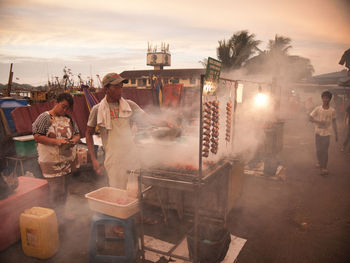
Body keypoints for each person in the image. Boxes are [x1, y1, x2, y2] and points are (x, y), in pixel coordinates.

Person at [85, 72, 170, 189]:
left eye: (121, 87)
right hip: (113, 160)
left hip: (131, 157)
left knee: (135, 191)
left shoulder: (129, 105)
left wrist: (166, 123)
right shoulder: (97, 110)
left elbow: (148, 119)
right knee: (118, 193)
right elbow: (88, 134)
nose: (120, 91)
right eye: (116, 87)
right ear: (106, 89)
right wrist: (94, 159)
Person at [32, 92, 80, 220]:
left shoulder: (69, 119)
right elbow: (37, 136)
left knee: (64, 190)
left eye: (67, 108)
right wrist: (56, 142)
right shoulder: (45, 117)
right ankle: (54, 218)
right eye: (63, 106)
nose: (64, 110)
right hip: (51, 163)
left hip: (67, 161)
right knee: (55, 191)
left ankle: (62, 214)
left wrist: (74, 140)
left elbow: (77, 134)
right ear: (56, 102)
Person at [309, 91, 338, 175]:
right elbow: (310, 118)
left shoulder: (332, 110)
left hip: (327, 133)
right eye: (324, 97)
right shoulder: (318, 109)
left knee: (325, 150)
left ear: (330, 99)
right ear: (322, 99)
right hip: (318, 133)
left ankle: (324, 167)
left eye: (327, 98)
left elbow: (334, 122)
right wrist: (318, 121)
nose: (325, 99)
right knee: (318, 150)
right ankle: (319, 162)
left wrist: (336, 134)